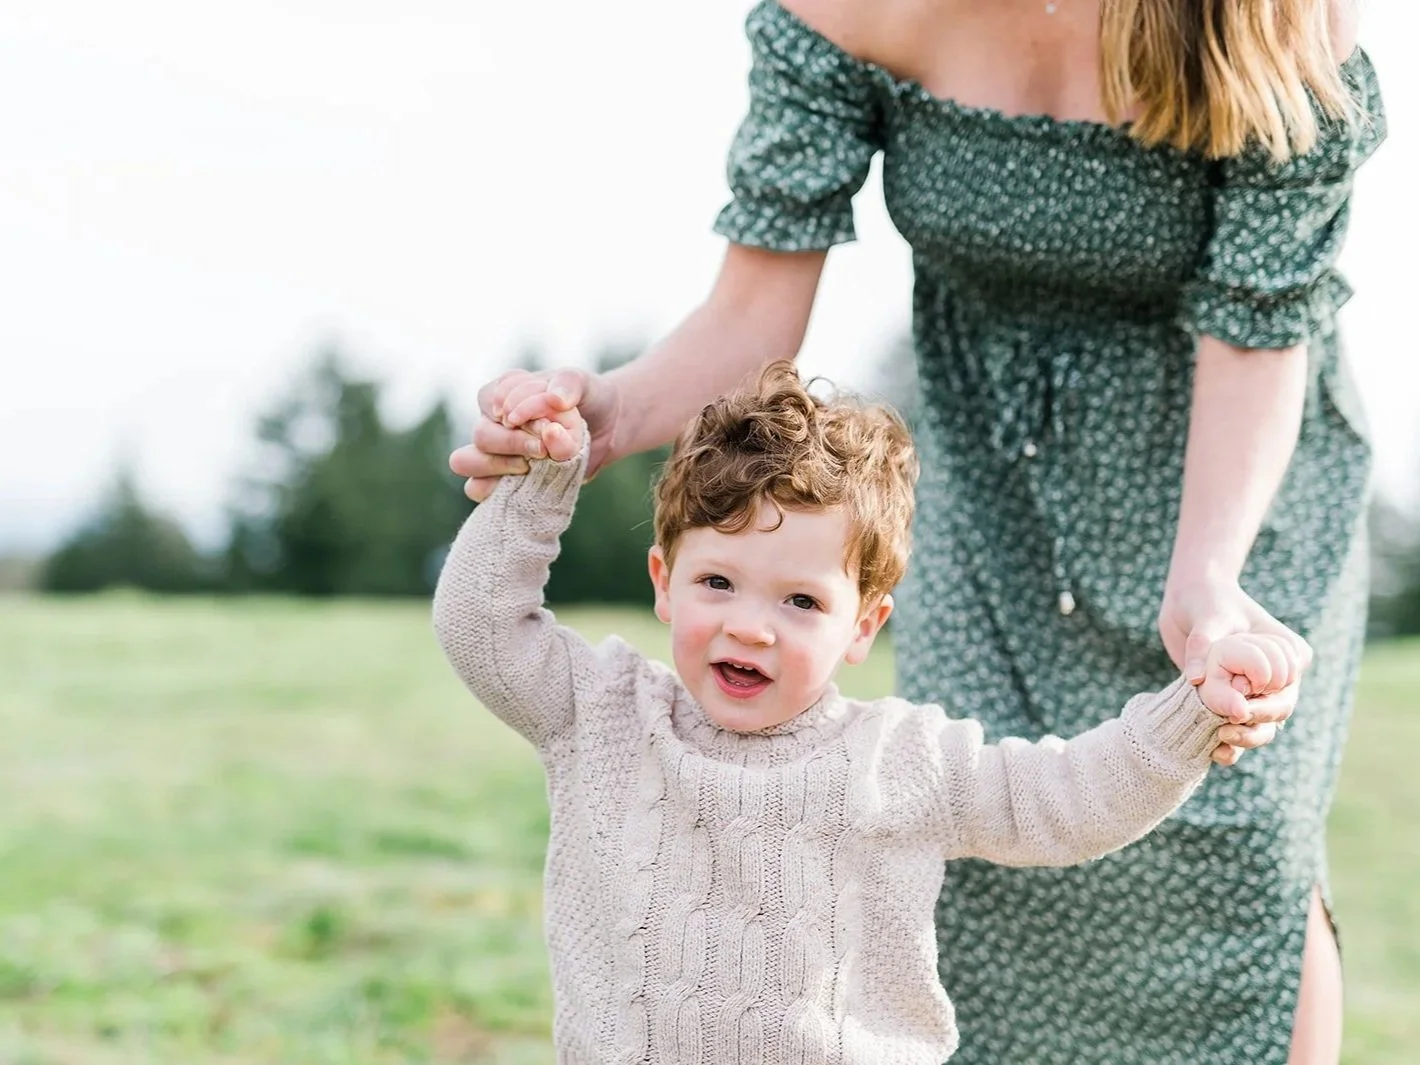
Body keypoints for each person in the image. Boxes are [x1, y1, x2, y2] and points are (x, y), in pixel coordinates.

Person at [452, 2, 1386, 1060]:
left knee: (1234, 845)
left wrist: (1208, 580)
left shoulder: (1266, 19)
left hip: (1231, 473)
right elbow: (757, 303)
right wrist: (604, 417)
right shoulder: (842, 11)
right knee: (968, 863)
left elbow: (1258, 331)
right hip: (985, 484)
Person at [434, 363, 1295, 1064]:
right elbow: (478, 627)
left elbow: (1066, 799)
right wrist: (541, 480)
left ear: (864, 625)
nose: (748, 623)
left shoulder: (902, 760)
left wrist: (1192, 715)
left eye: (801, 600)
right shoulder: (604, 715)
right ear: (664, 581)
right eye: (718, 582)